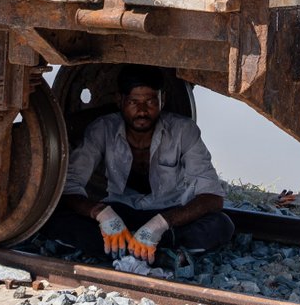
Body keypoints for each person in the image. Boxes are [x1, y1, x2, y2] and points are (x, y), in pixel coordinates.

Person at [39, 64, 233, 264]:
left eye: (150, 102)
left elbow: (212, 198)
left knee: (222, 224)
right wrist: (101, 213)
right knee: (51, 217)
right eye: (133, 102)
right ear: (120, 100)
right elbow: (68, 186)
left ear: (163, 100)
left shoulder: (184, 130)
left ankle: (121, 250)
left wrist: (161, 223)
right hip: (121, 212)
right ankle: (156, 254)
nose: (142, 111)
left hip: (169, 214)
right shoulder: (102, 129)